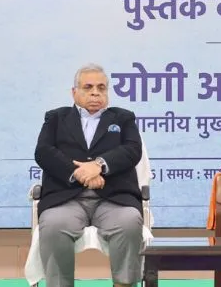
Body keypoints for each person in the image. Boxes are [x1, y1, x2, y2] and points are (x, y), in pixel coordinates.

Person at [34, 64, 143, 287]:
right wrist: (79, 172)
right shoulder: (56, 118)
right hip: (67, 199)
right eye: (88, 87)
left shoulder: (123, 118)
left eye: (101, 88)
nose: (95, 93)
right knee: (53, 225)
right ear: (74, 92)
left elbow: (132, 150)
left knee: (130, 221)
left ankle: (124, 284)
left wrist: (99, 165)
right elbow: (44, 152)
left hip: (114, 199)